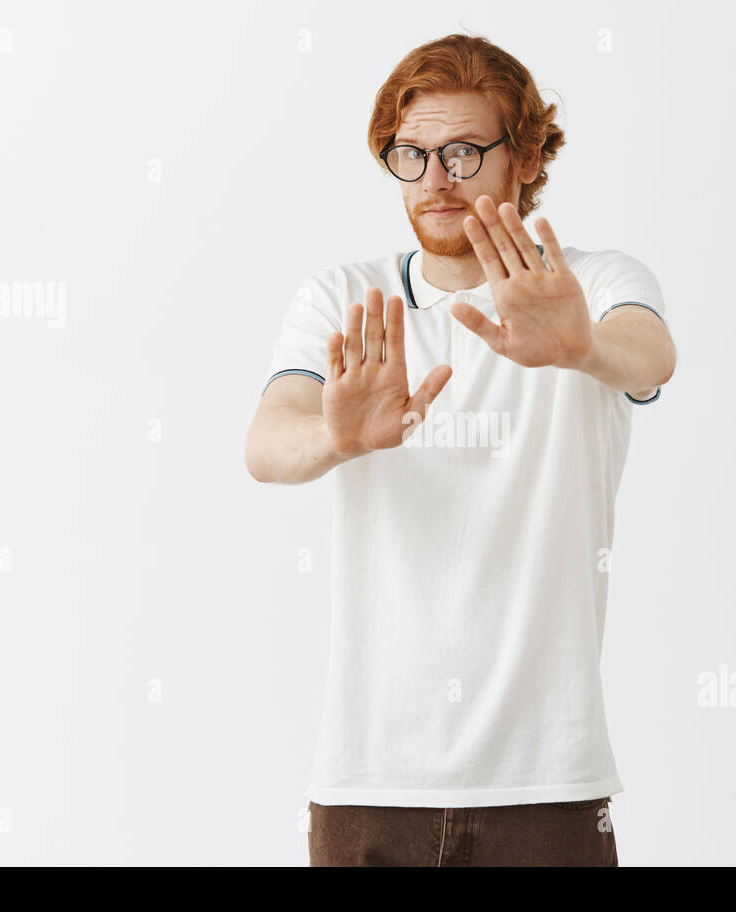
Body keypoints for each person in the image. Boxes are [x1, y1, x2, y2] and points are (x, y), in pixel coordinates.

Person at [246, 33, 676, 866]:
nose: (435, 180)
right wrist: (337, 436)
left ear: (523, 158)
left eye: (463, 152)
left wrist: (579, 346)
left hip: (548, 782)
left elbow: (650, 356)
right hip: (370, 781)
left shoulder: (596, 284)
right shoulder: (343, 297)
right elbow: (267, 444)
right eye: (411, 154)